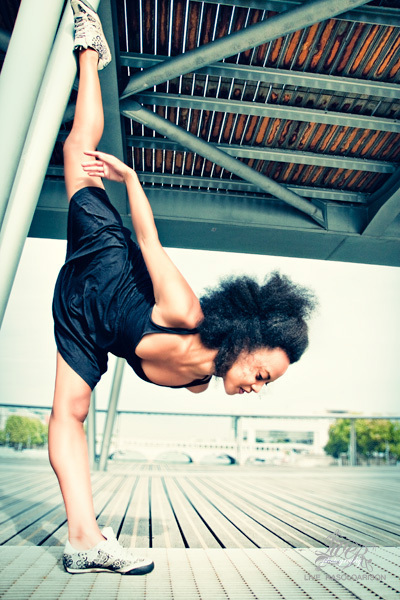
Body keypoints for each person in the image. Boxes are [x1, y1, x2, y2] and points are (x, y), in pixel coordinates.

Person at [49, 0, 316, 576]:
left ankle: (82, 541)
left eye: (262, 385)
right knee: (77, 149)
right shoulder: (183, 310)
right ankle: (89, 48)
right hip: (104, 263)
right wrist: (130, 179)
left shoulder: (198, 382)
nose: (254, 388)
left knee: (70, 411)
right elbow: (148, 240)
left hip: (83, 322)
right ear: (245, 339)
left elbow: (162, 364)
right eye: (261, 374)